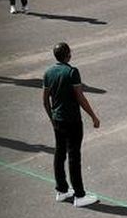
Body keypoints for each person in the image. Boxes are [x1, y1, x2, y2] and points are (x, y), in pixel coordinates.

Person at [43, 42, 100, 208]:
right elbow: (80, 97)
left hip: (58, 120)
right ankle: (79, 195)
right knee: (74, 157)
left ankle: (61, 190)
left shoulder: (48, 72)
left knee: (59, 153)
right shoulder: (72, 72)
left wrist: (52, 118)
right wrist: (93, 116)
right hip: (72, 120)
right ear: (68, 55)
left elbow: (45, 99)